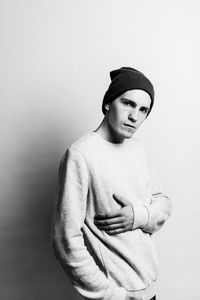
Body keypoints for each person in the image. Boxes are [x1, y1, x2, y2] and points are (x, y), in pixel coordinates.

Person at [52, 67, 172, 300]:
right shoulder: (80, 155)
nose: (134, 116)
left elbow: (163, 202)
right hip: (119, 295)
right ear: (108, 103)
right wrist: (112, 295)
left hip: (149, 291)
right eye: (127, 103)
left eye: (143, 109)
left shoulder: (137, 149)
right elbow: (66, 241)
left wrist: (138, 216)